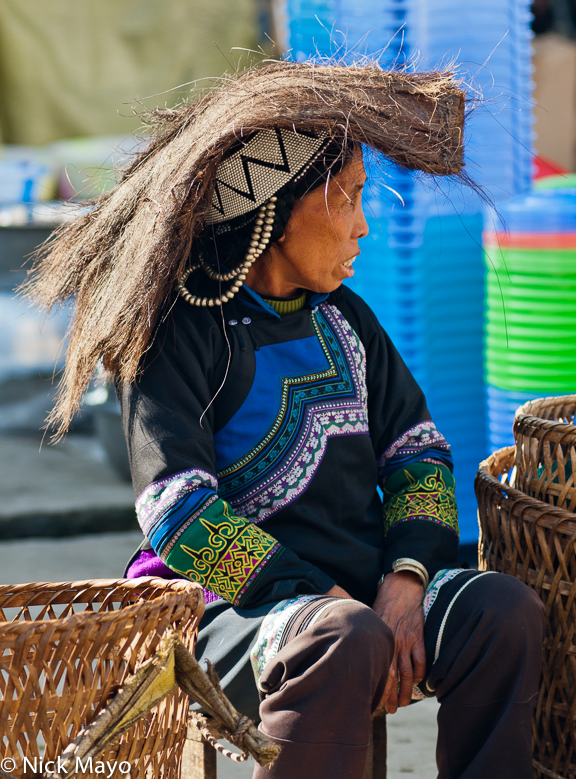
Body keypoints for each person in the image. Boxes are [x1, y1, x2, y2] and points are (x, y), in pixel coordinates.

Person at [29, 61, 545, 779]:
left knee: (502, 612)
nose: (364, 225)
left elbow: (419, 458)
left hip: (357, 601)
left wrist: (404, 580)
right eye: (351, 199)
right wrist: (332, 601)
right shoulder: (180, 335)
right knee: (342, 638)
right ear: (273, 209)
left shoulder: (349, 322)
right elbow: (178, 516)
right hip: (216, 618)